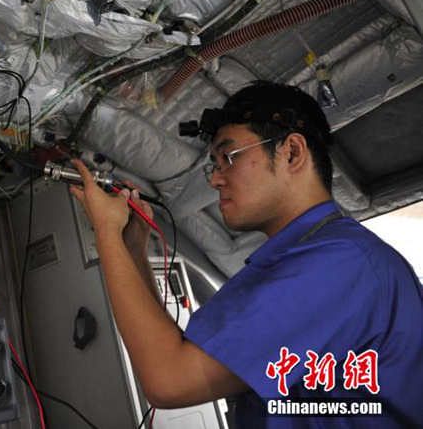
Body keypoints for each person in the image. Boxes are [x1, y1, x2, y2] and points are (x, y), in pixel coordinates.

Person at [70, 80, 423, 428]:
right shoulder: (314, 257)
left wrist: (106, 232)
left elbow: (169, 378)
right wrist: (132, 247)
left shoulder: (336, 265)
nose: (214, 180)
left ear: (292, 152)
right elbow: (175, 354)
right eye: (215, 163)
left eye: (228, 157)